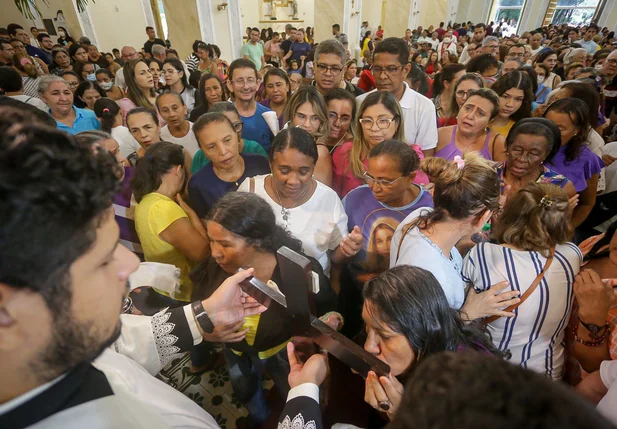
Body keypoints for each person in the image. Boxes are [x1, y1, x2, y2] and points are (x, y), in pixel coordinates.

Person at [0, 117, 263, 428]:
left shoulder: (59, 344)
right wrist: (303, 403)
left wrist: (203, 315)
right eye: (102, 260)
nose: (131, 265)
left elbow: (122, 348)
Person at [190, 191, 335, 426]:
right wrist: (209, 332)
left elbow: (327, 308)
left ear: (256, 240)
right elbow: (197, 303)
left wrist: (328, 324)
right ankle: (259, 417)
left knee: (290, 388)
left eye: (225, 244)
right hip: (235, 351)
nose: (214, 252)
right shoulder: (215, 266)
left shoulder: (298, 273)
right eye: (211, 240)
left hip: (284, 352)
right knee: (244, 386)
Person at [463, 182, 580, 378]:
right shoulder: (572, 255)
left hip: (494, 375)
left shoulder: (483, 254)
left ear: (511, 214)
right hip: (548, 374)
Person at [391, 153, 516, 311]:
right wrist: (469, 313)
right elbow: (424, 333)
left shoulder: (418, 216)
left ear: (435, 192)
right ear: (484, 217)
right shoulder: (437, 279)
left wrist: (458, 247)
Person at [238, 127, 362, 277]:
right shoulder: (251, 191)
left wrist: (347, 250)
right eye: (284, 171)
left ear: (313, 168)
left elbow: (335, 257)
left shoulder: (328, 200)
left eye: (303, 172)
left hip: (310, 291)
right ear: (271, 164)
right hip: (258, 288)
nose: (293, 181)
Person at [342, 140, 434, 298]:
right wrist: (346, 249)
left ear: (410, 177)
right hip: (355, 293)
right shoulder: (355, 199)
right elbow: (336, 256)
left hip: (404, 299)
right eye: (370, 177)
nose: (375, 187)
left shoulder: (429, 207)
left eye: (385, 181)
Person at [133, 141, 210, 304]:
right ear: (178, 170)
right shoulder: (164, 209)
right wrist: (191, 213)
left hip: (162, 289)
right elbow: (203, 253)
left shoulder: (145, 202)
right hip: (181, 295)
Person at [333, 91, 427, 198]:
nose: (374, 128)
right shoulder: (345, 152)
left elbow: (419, 199)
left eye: (382, 121)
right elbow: (335, 198)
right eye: (368, 121)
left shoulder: (412, 156)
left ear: (397, 123)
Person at [356, 37, 438, 157]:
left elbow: (426, 157)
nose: (383, 76)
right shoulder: (360, 102)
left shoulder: (424, 107)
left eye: (391, 69)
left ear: (406, 70)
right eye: (377, 69)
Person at [188, 112, 270, 218]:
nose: (223, 152)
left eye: (227, 140)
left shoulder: (260, 164)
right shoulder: (198, 185)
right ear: (202, 150)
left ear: (237, 136)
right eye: (211, 146)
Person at [543, 98, 603, 229]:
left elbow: (587, 203)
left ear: (578, 130)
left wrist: (568, 230)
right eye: (547, 124)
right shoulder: (528, 145)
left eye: (560, 128)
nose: (550, 132)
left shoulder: (587, 160)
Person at [191, 101, 267, 174]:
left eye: (236, 125)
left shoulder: (255, 150)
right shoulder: (200, 158)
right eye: (211, 147)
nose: (235, 132)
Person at [435, 88, 504, 161]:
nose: (470, 116)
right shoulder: (440, 134)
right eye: (468, 108)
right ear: (460, 108)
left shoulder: (497, 143)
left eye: (480, 113)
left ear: (489, 122)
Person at [283, 86, 333, 186]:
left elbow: (322, 195)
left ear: (321, 120)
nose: (307, 124)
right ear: (291, 115)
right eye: (301, 116)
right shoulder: (285, 142)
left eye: (314, 118)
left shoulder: (320, 152)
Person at [226, 58, 274, 151]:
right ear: (230, 85)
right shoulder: (223, 117)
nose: (246, 86)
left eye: (250, 80)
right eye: (239, 81)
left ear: (258, 83)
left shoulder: (269, 116)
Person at [117, 59, 164, 126]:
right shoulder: (126, 104)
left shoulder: (159, 97)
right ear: (132, 79)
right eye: (142, 73)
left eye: (149, 71)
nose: (150, 75)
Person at [489, 70, 533, 138]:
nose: (510, 104)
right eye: (505, 97)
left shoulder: (522, 130)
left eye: (518, 99)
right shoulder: (475, 120)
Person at [157, 92, 200, 158]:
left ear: (185, 108)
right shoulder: (160, 137)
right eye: (165, 110)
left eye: (175, 108)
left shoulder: (199, 131)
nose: (171, 114)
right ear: (160, 114)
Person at [324, 88, 355, 153]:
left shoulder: (354, 148)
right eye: (332, 115)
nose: (337, 124)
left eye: (345, 118)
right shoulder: (311, 139)